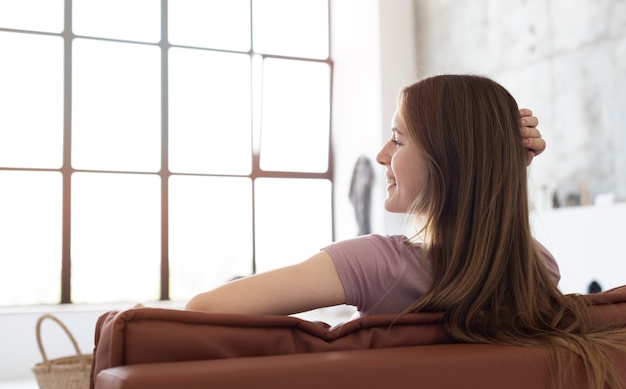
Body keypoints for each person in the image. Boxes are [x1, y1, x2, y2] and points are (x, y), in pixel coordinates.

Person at [187, 75, 625, 389]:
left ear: (446, 161)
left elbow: (202, 310)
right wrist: (497, 169)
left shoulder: (378, 264)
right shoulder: (538, 268)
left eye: (397, 140)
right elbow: (492, 231)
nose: (381, 156)